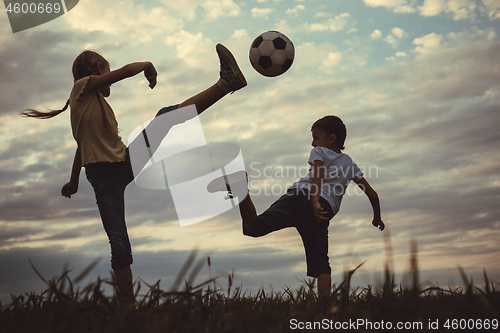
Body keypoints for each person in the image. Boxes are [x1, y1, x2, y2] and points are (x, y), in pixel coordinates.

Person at [21, 44, 247, 306]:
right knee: (118, 241)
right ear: (96, 70)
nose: (108, 77)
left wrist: (74, 180)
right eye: (105, 69)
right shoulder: (82, 88)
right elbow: (126, 71)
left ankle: (226, 83)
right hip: (105, 178)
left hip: (123, 162)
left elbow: (82, 146)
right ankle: (128, 307)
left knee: (165, 117)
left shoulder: (93, 103)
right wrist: (147, 66)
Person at [207, 115, 384, 298]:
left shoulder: (320, 152)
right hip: (322, 211)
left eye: (316, 138)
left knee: (253, 227)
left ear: (331, 138)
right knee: (322, 265)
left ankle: (240, 189)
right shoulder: (350, 163)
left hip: (301, 197)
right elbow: (372, 194)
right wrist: (376, 217)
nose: (313, 144)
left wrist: (314, 200)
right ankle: (324, 311)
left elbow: (317, 173)